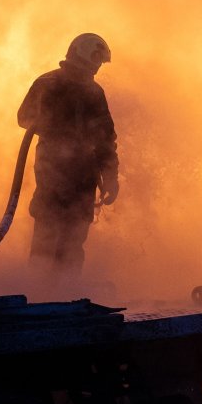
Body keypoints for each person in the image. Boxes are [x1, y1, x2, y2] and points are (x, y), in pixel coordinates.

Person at [17, 33, 119, 276]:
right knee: (47, 233)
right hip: (53, 171)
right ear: (83, 53)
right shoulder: (48, 83)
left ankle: (64, 289)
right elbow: (24, 118)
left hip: (82, 176)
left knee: (73, 239)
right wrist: (55, 128)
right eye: (96, 59)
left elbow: (105, 139)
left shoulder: (93, 91)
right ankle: (39, 289)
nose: (97, 66)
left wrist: (110, 177)